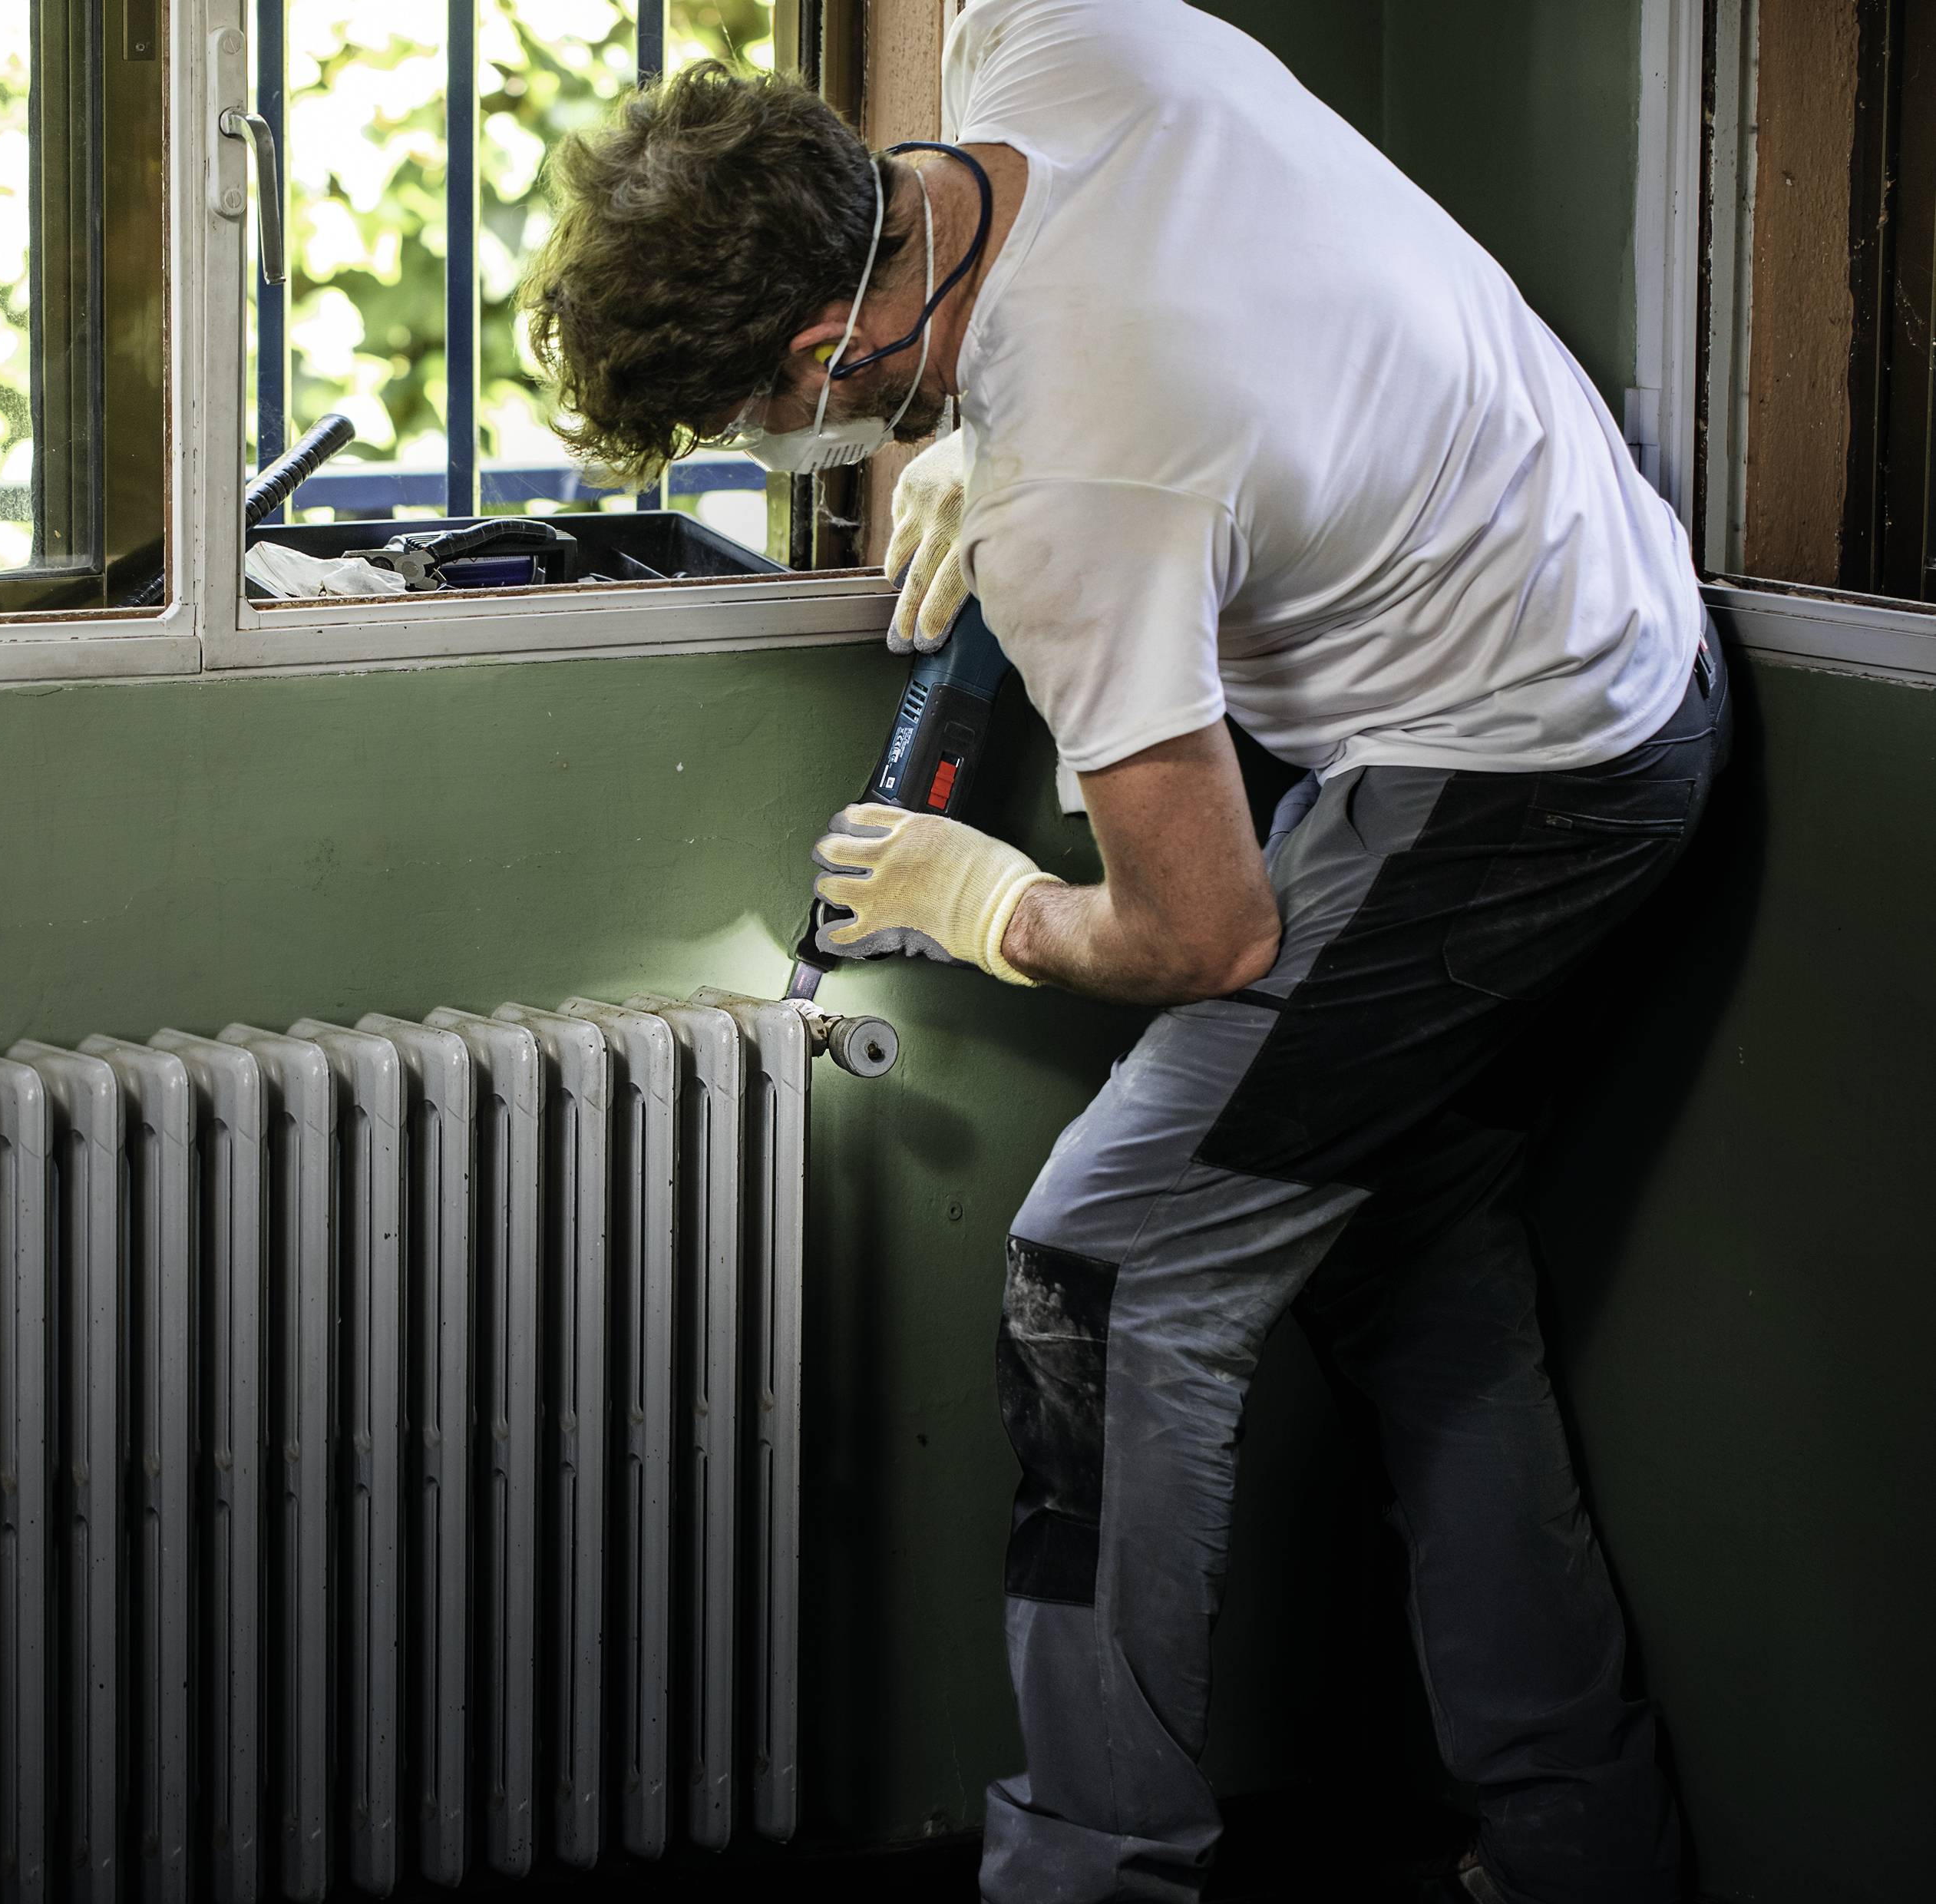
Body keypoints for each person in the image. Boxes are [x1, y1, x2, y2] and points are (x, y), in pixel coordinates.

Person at [520, 4, 1723, 1902]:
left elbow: (1205, 926)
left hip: (1521, 776)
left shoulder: (1080, 487)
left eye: (774, 415)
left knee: (1100, 1268)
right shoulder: (1057, 42)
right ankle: (1581, 1849)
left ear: (829, 342)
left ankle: (1093, 1868)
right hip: (1601, 629)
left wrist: (978, 899)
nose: (799, 446)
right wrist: (961, 427)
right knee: (1410, 1267)